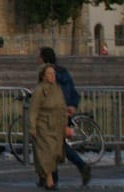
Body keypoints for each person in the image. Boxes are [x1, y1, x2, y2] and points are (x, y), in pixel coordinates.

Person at [39, 46, 92, 186]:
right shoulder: (64, 72)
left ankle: (55, 178)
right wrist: (73, 105)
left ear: (44, 58)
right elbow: (73, 91)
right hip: (65, 112)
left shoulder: (48, 74)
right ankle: (51, 178)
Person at [32, 64, 68, 190]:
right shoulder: (40, 90)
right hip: (44, 125)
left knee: (56, 153)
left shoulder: (58, 89)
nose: (53, 76)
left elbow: (63, 107)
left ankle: (44, 176)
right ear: (43, 76)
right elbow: (34, 110)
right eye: (49, 73)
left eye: (53, 73)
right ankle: (49, 180)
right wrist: (33, 127)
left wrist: (66, 125)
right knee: (47, 153)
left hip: (57, 125)